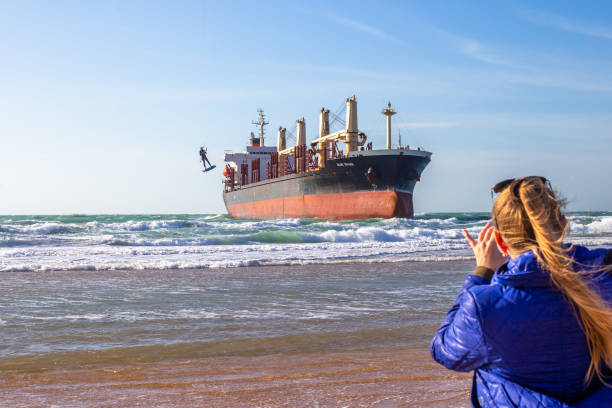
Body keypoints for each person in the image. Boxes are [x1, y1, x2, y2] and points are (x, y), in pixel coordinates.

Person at [430, 176, 612, 407]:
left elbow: (445, 352)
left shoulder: (484, 304)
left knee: (489, 373)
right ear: (562, 224)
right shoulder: (605, 272)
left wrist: (482, 273)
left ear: (499, 239)